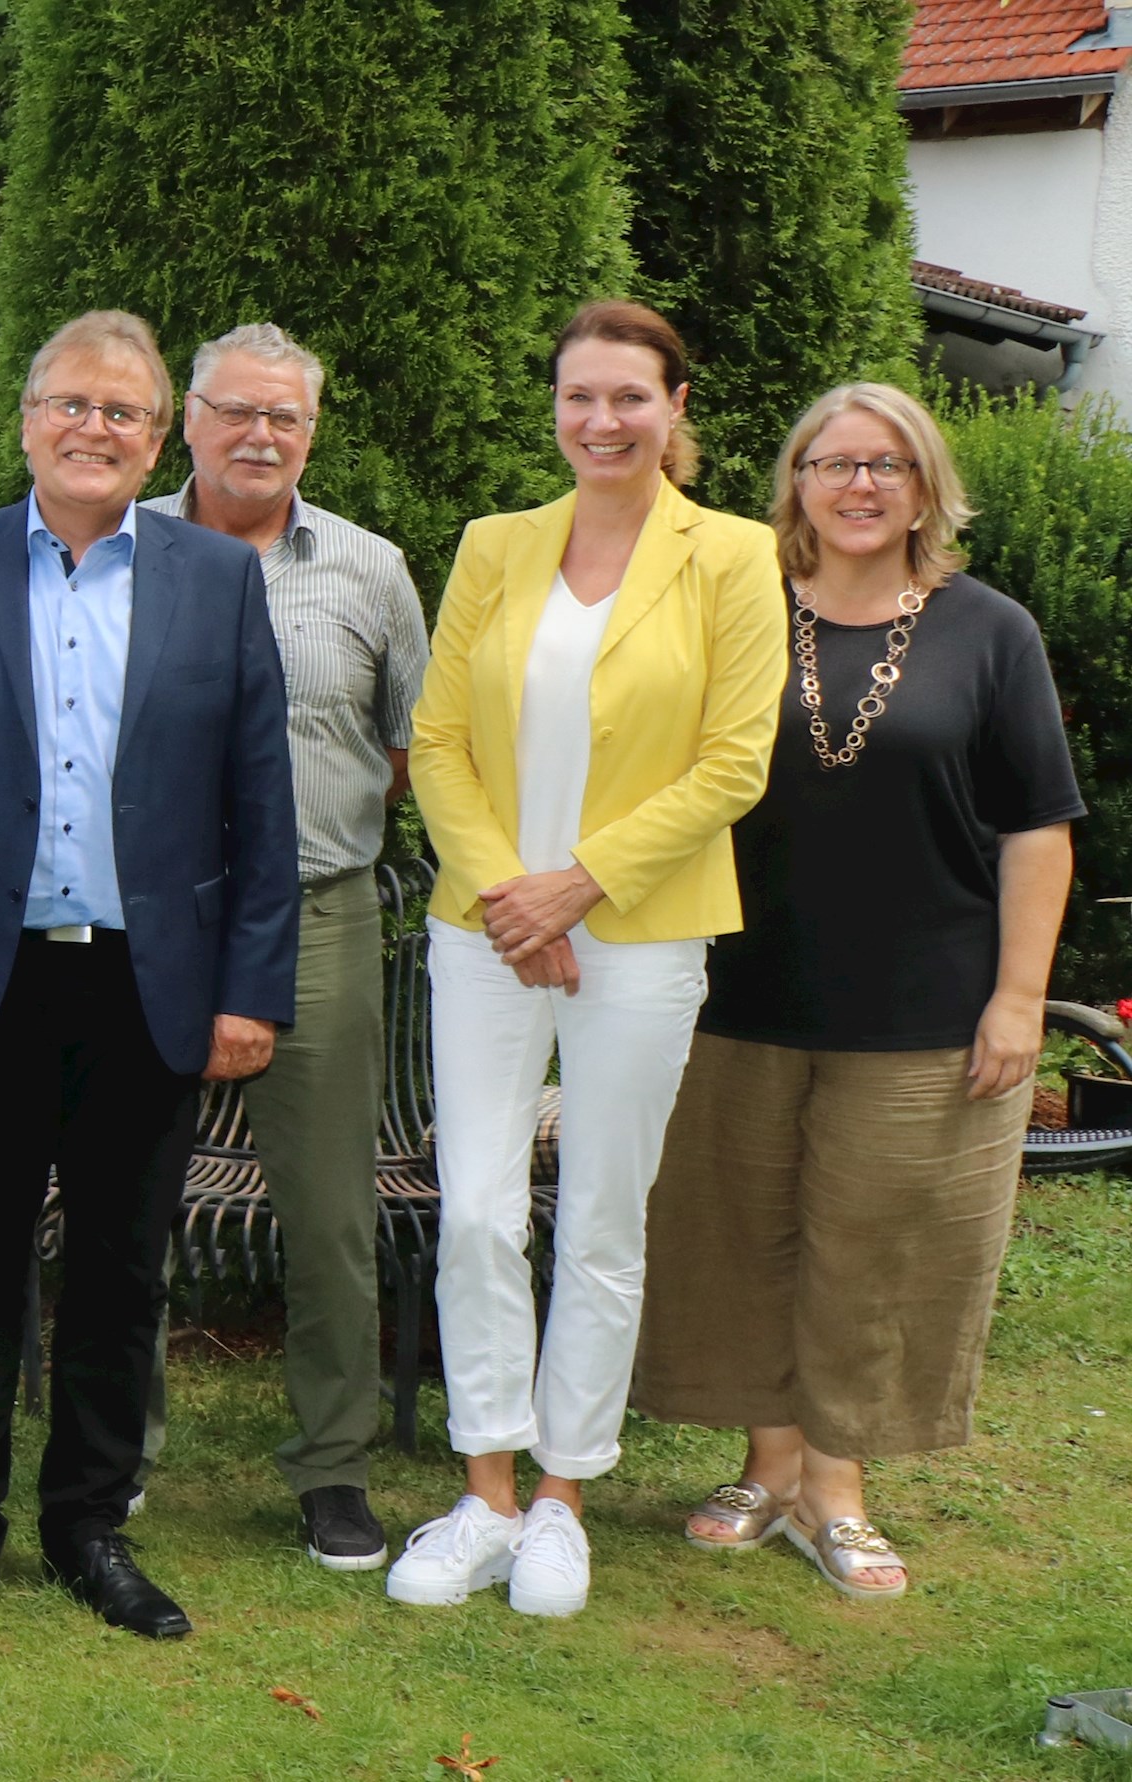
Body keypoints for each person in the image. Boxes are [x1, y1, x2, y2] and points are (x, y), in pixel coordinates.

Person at [0, 309, 296, 1644]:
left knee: (120, 1266)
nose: (94, 429)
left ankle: (90, 1520)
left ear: (160, 440)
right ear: (29, 420)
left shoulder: (215, 579)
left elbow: (261, 806)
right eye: (70, 405)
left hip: (151, 984)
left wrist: (250, 988)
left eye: (124, 413)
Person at [636, 382, 1078, 1601]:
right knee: (738, 1239)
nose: (860, 486)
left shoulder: (991, 631)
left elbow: (1039, 829)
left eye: (888, 465)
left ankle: (835, 1486)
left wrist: (1019, 999)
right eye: (834, 463)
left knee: (875, 1249)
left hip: (922, 1006)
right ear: (797, 483)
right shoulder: (735, 612)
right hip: (733, 990)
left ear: (925, 485)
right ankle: (765, 1466)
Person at [385, 299, 788, 1620]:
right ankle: (484, 1492)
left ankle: (562, 1497)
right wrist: (514, 894)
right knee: (482, 1210)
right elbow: (437, 739)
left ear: (677, 409)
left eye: (630, 397)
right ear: (554, 409)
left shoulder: (732, 557)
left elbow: (735, 760)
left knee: (605, 1220)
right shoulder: (495, 547)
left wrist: (581, 885)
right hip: (486, 929)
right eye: (580, 397)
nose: (603, 420)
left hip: (645, 932)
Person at [136, 323, 428, 1571]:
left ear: (311, 433)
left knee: (326, 1214)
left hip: (319, 914)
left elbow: (414, 746)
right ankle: (116, 1449)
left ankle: (332, 1469)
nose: (260, 436)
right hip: (148, 918)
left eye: (287, 419)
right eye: (235, 411)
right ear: (186, 420)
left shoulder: (367, 570)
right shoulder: (115, 548)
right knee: (125, 1198)